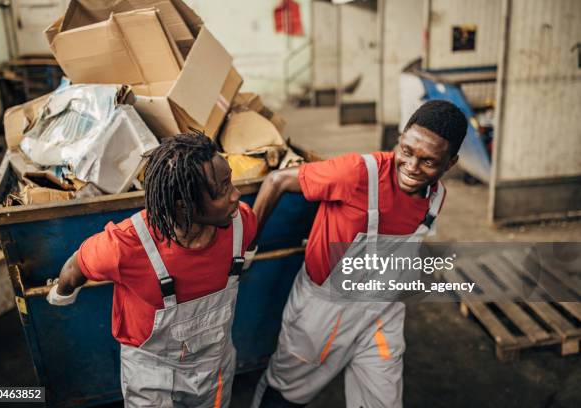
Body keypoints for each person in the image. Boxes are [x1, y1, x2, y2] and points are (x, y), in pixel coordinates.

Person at [250, 100, 468, 408]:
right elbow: (277, 180)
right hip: (323, 311)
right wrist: (245, 246)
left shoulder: (436, 197)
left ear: (450, 163)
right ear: (400, 138)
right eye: (406, 150)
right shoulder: (358, 173)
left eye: (429, 162)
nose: (411, 167)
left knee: (382, 400)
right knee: (288, 392)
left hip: (382, 312)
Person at [46, 133, 257, 407]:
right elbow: (75, 266)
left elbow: (250, 239)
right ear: (184, 204)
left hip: (213, 366)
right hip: (151, 374)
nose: (236, 195)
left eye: (231, 181)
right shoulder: (126, 245)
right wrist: (61, 293)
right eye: (223, 188)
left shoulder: (242, 223)